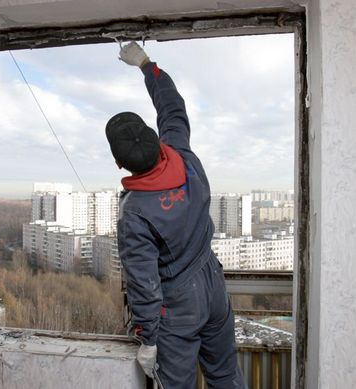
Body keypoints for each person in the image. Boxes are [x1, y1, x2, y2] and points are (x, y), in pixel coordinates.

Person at [105, 42, 246, 389]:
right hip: (212, 284)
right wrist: (146, 65)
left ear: (119, 163)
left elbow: (144, 283)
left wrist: (149, 339)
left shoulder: (134, 212)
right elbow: (172, 106)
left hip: (178, 304)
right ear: (155, 138)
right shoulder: (183, 155)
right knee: (226, 375)